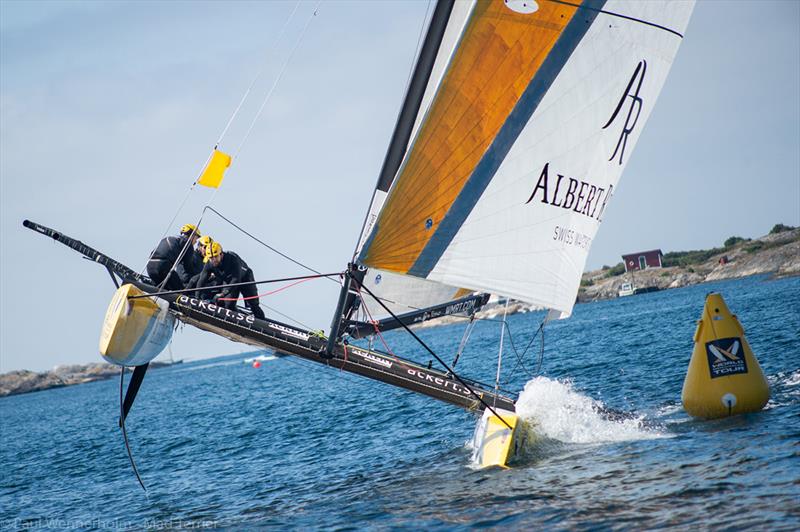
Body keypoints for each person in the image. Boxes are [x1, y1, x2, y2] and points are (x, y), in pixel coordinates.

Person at [197, 242, 266, 320]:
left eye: (216, 257)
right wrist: (197, 297)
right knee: (228, 306)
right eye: (211, 258)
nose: (213, 260)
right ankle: (240, 318)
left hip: (244, 278)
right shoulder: (209, 264)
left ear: (221, 254)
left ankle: (262, 322)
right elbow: (201, 280)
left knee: (253, 305)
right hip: (230, 281)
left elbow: (236, 279)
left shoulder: (232, 258)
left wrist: (223, 293)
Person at [146, 224, 202, 290]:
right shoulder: (187, 243)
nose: (196, 241)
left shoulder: (169, 238)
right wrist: (200, 276)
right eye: (196, 237)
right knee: (179, 290)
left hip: (150, 267)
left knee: (161, 288)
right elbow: (188, 267)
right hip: (163, 267)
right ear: (192, 235)